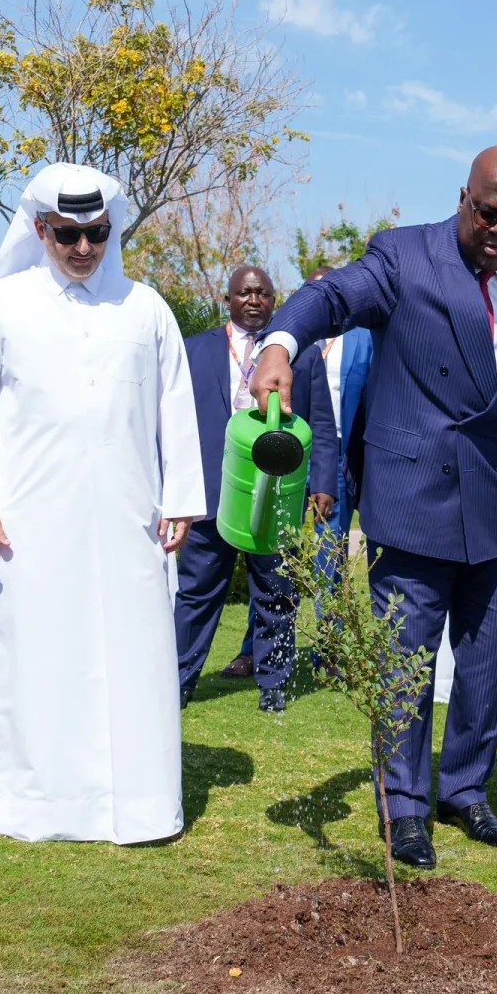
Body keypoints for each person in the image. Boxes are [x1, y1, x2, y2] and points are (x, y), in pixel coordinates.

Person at [250, 146, 497, 870]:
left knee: (485, 662)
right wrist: (279, 343)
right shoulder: (403, 257)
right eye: (487, 213)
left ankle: (465, 790)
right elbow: (330, 298)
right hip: (410, 500)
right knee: (404, 662)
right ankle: (404, 807)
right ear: (463, 198)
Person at [0, 162, 205, 845]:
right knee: (37, 657)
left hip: (130, 517)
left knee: (136, 657)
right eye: (68, 234)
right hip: (29, 524)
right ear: (40, 230)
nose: (84, 248)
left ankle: (141, 805)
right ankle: (37, 804)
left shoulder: (145, 307)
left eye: (97, 233)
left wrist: (182, 497)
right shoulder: (0, 306)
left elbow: (175, 405)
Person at [174, 265, 337, 712]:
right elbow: (174, 423)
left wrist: (323, 483)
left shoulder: (299, 356)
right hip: (212, 492)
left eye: (262, 293)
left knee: (277, 592)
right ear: (227, 300)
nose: (253, 300)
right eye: (244, 293)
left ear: (273, 301)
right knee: (197, 592)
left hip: (278, 492)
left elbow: (323, 424)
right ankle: (177, 682)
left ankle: (274, 686)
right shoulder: (194, 351)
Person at [219, 263, 365, 681]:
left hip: (334, 462)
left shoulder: (360, 340)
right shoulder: (284, 340)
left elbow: (343, 413)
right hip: (283, 456)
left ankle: (329, 652)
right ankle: (254, 650)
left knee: (328, 562)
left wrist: (329, 478)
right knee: (272, 558)